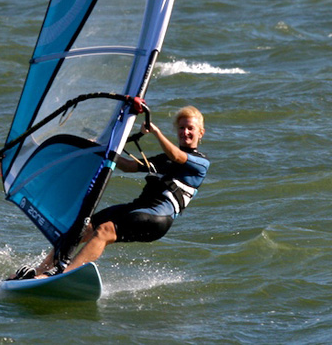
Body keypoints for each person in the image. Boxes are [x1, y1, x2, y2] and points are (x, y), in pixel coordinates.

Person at [11, 105, 210, 280]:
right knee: (83, 227)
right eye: (182, 128)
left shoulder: (200, 163)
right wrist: (99, 149)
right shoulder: (163, 160)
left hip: (158, 218)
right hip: (137, 208)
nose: (185, 132)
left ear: (201, 132)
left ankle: (63, 275)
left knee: (105, 230)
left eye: (190, 128)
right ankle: (40, 273)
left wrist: (156, 132)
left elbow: (176, 155)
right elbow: (129, 166)